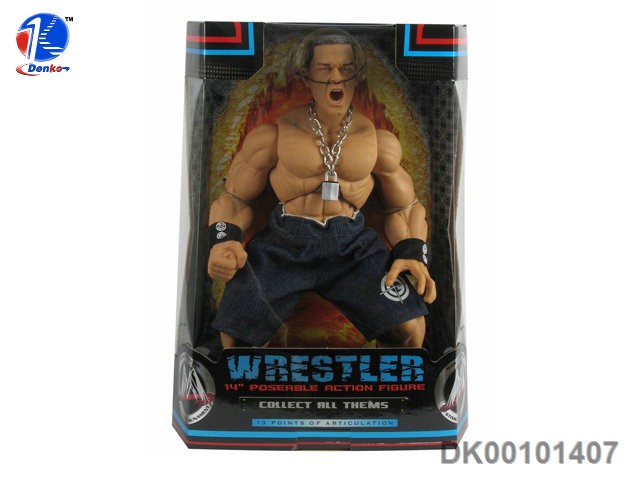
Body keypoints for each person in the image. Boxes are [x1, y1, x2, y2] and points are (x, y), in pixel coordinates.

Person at [207, 28, 436, 348]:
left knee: (409, 329)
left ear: (358, 76)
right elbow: (234, 198)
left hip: (352, 246)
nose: (336, 78)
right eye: (325, 69)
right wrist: (224, 242)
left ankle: (389, 381)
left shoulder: (379, 144)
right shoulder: (274, 136)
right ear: (306, 77)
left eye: (345, 69)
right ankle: (253, 382)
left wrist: (411, 254)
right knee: (235, 335)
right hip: (285, 243)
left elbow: (404, 206)